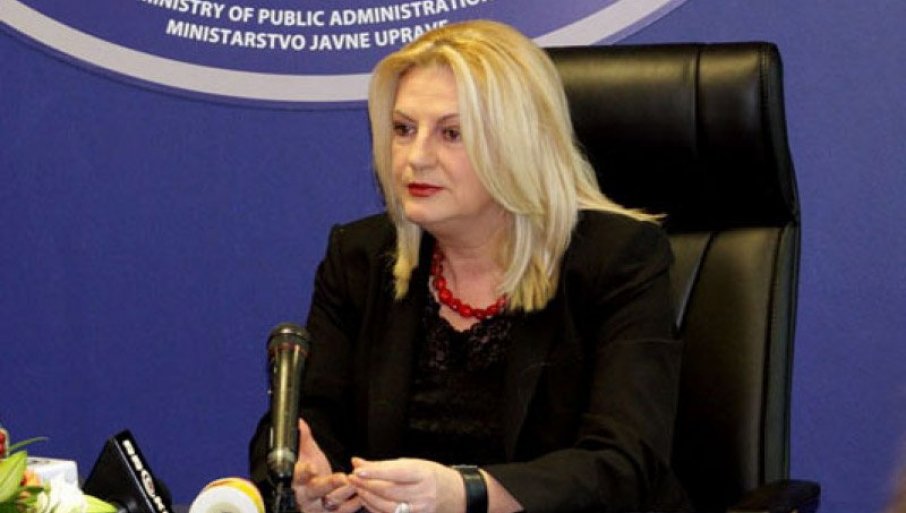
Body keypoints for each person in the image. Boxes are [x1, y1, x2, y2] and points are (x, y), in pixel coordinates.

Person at [250, 19, 690, 513]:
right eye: (403, 129)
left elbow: (624, 463)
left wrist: (465, 492)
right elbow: (304, 420)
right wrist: (303, 477)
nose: (416, 158)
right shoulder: (360, 257)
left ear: (518, 143)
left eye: (452, 133)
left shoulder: (618, 259)